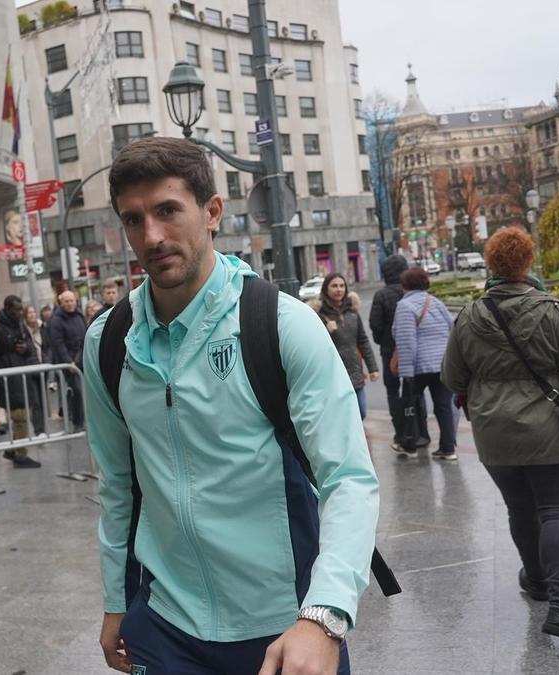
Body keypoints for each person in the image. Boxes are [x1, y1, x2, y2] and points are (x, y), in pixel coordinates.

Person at [85, 137, 378, 675]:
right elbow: (117, 484)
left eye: (168, 210)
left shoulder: (281, 324)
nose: (151, 236)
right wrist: (116, 600)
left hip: (285, 628)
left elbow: (349, 478)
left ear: (213, 211)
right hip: (164, 625)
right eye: (133, 219)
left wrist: (325, 616)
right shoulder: (108, 341)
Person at [441, 227, 559, 647]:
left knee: (520, 510)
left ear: (491, 263)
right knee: (557, 513)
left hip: (493, 432)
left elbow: (451, 377)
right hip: (547, 425)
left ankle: (536, 580)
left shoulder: (470, 314)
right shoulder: (549, 309)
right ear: (528, 262)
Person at [392, 267, 458, 461]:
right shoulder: (436, 302)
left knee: (409, 405)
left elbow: (406, 341)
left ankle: (409, 444)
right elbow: (452, 328)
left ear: (405, 285)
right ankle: (448, 448)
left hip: (418, 367)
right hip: (442, 364)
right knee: (443, 406)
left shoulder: (405, 306)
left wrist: (406, 373)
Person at [0, 295, 42, 468]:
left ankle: (13, 450)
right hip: (7, 380)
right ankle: (20, 456)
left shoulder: (20, 325)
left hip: (22, 376)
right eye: (16, 309)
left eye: (21, 309)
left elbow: (30, 347)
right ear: (7, 308)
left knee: (24, 414)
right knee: (20, 417)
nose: (20, 312)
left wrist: (25, 349)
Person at [307, 273, 379, 419]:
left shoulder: (352, 312)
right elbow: (311, 345)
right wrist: (326, 331)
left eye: (342, 286)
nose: (339, 289)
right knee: (341, 415)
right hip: (332, 373)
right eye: (334, 286)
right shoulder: (318, 315)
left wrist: (373, 368)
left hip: (354, 370)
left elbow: (363, 341)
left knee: (361, 411)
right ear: (326, 289)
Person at [369, 254, 415, 451]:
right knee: (414, 390)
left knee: (392, 390)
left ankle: (400, 433)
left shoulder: (381, 295)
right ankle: (417, 431)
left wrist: (383, 341)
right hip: (412, 350)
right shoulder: (411, 293)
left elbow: (375, 324)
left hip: (389, 351)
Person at [49, 290, 87, 428]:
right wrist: (68, 361)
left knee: (84, 390)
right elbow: (58, 343)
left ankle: (82, 418)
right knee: (77, 389)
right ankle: (78, 422)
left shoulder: (79, 315)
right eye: (67, 301)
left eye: (72, 301)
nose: (70, 304)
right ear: (61, 303)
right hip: (69, 361)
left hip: (82, 356)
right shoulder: (57, 320)